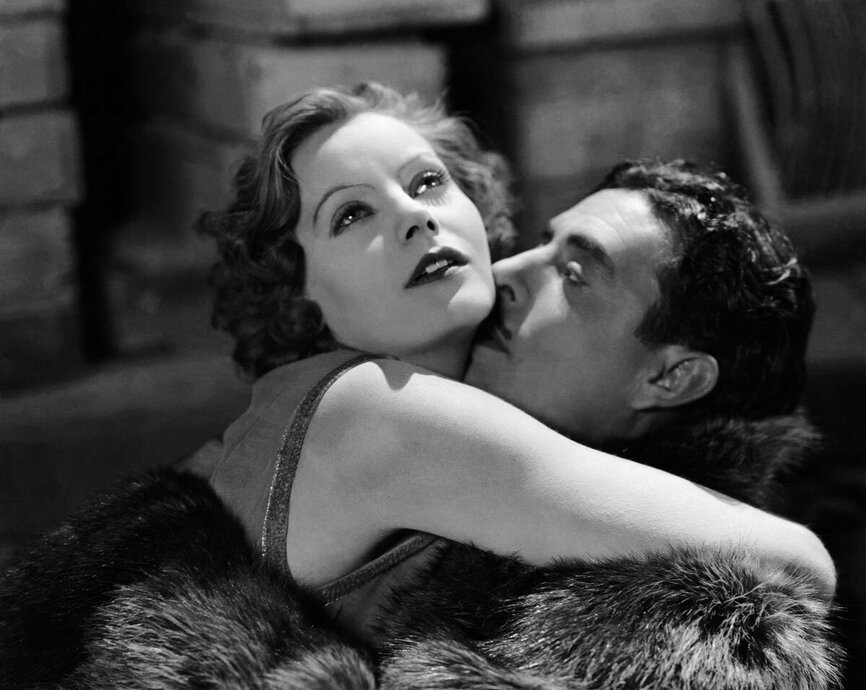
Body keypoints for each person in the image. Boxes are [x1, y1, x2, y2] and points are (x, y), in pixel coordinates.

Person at [0, 86, 838, 687]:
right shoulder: (382, 412)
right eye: (351, 215)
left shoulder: (365, 405)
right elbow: (798, 561)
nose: (412, 216)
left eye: (427, 181)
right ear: (301, 297)